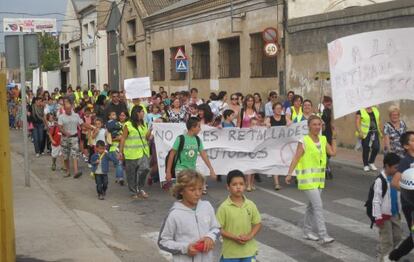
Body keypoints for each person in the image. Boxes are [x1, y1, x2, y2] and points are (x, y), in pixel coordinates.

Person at [286, 115, 337, 244]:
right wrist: (289, 174)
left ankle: (307, 231)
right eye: (314, 124)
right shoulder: (303, 141)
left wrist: (334, 136)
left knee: (311, 207)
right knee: (318, 206)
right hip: (307, 179)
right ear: (309, 126)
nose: (317, 127)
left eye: (319, 124)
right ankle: (323, 235)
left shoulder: (323, 139)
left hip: (319, 179)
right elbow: (296, 158)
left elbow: (333, 153)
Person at [158, 170, 220, 262]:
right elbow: (163, 242)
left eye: (200, 189)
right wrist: (185, 248)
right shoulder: (174, 214)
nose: (198, 193)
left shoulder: (207, 206)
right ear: (181, 190)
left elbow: (216, 227)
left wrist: (210, 237)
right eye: (192, 190)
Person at [216, 170, 262, 262]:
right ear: (228, 187)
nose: (238, 187)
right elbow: (218, 228)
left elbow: (258, 223)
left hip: (249, 251)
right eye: (234, 184)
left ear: (245, 185)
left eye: (241, 184)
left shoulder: (250, 204)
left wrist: (250, 236)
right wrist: (234, 237)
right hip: (230, 253)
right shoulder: (224, 207)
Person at [166, 117, 216, 183]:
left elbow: (203, 154)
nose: (200, 129)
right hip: (180, 169)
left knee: (188, 191)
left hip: (192, 170)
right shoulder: (180, 139)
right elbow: (171, 155)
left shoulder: (198, 140)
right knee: (184, 190)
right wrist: (168, 171)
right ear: (193, 127)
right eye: (198, 127)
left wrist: (211, 169)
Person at [372, 153, 402, 262]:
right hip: (384, 216)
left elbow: (399, 196)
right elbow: (376, 200)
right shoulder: (380, 181)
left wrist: (399, 212)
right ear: (387, 166)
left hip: (395, 214)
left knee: (398, 237)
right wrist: (378, 217)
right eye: (395, 167)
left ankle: (385, 253)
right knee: (387, 242)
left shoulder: (397, 178)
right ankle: (384, 258)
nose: (397, 170)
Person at [389, 131, 414, 261]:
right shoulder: (406, 162)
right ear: (406, 146)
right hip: (410, 204)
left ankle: (395, 255)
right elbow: (394, 182)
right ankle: (395, 255)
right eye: (413, 140)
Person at [119, 105, 151, 199]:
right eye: (142, 112)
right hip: (131, 153)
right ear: (137, 113)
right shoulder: (128, 124)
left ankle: (140, 188)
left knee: (145, 169)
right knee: (131, 173)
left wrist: (151, 129)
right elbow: (123, 138)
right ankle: (134, 191)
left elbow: (147, 137)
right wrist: (121, 152)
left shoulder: (143, 123)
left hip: (143, 151)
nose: (143, 113)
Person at [265, 102, 291, 190]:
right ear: (273, 110)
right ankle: (276, 183)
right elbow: (266, 123)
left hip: (284, 144)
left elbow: (290, 122)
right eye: (277, 108)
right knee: (275, 162)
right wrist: (267, 124)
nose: (279, 110)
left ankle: (288, 176)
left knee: (285, 160)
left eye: (280, 108)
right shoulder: (270, 118)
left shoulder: (285, 117)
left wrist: (289, 123)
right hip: (274, 144)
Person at [58, 101, 84, 178]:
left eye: (70, 108)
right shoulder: (61, 117)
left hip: (74, 137)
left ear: (72, 108)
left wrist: (91, 127)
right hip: (65, 138)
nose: (68, 110)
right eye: (67, 109)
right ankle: (68, 171)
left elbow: (82, 124)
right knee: (65, 156)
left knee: (75, 154)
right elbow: (60, 127)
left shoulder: (76, 115)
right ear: (64, 109)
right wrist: (65, 132)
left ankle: (76, 172)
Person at [356, 106, 382, 172]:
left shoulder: (375, 109)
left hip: (374, 132)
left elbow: (378, 121)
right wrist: (360, 131)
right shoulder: (360, 111)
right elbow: (357, 122)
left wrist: (381, 131)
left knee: (376, 147)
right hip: (365, 133)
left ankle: (371, 162)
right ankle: (366, 165)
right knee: (366, 148)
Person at [320, 96, 334, 179]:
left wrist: (333, 130)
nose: (329, 103)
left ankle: (326, 166)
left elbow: (331, 121)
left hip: (328, 131)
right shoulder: (320, 109)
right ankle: (325, 168)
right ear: (324, 102)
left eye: (330, 102)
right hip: (321, 131)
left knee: (329, 151)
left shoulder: (330, 110)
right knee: (323, 150)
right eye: (327, 102)